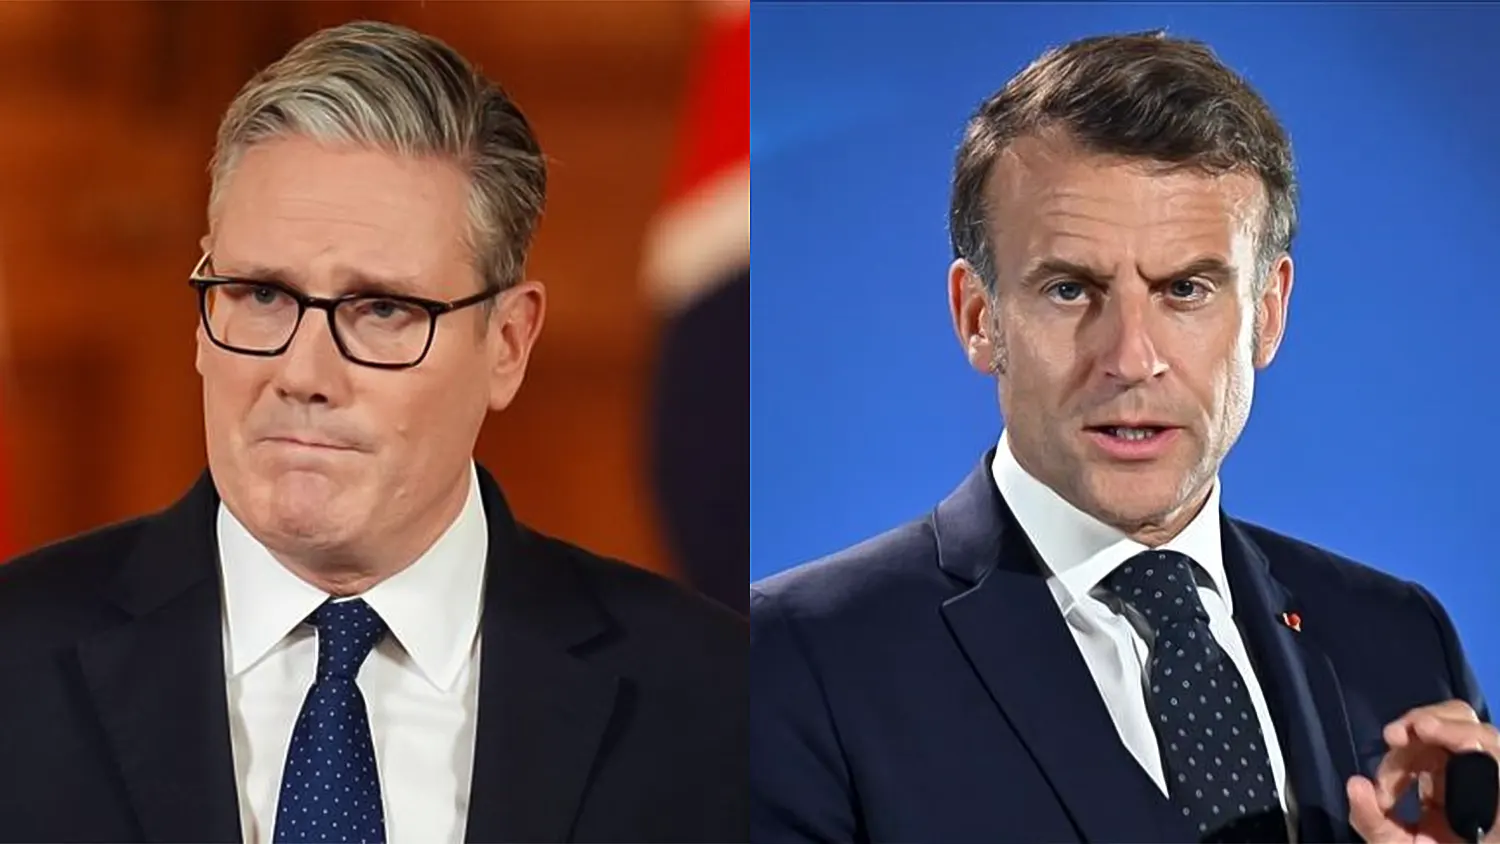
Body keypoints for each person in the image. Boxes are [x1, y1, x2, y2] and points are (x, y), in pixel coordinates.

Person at [0, 20, 746, 844]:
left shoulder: (722, 701)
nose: (304, 373)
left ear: (507, 345)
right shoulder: (13, 664)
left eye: (383, 310)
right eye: (259, 295)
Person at [751, 30, 1493, 844]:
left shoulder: (1399, 642)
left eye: (1186, 289)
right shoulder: (793, 661)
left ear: (1269, 313)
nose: (1130, 359)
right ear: (978, 318)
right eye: (1071, 289)